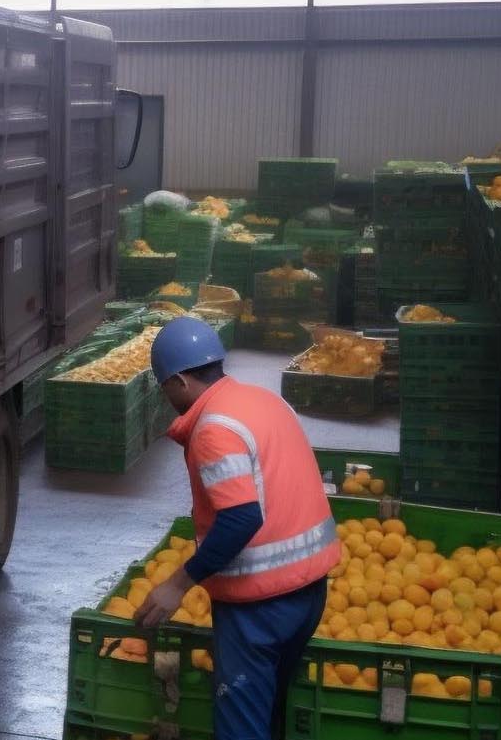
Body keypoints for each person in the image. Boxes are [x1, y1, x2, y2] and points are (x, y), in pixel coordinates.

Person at [133, 316, 341, 740]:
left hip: (259, 608)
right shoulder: (265, 401)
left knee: (241, 726)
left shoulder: (214, 428)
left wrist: (178, 584)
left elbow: (241, 518)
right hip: (310, 592)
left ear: (179, 382)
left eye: (164, 387)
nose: (166, 397)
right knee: (271, 714)